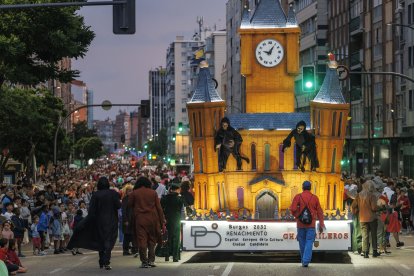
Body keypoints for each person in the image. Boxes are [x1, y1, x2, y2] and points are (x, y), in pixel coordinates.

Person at [67, 177, 121, 270]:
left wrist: (88, 221)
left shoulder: (96, 195)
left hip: (99, 221)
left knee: (100, 240)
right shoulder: (113, 193)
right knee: (109, 240)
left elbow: (91, 210)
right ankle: (106, 261)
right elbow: (118, 205)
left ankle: (101, 261)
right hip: (111, 221)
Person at [128, 176, 165, 268]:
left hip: (140, 219)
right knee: (152, 240)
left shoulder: (134, 193)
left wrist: (130, 219)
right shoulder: (153, 193)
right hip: (153, 219)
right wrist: (162, 220)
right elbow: (159, 208)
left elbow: (129, 206)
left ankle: (144, 261)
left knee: (142, 240)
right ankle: (151, 260)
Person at [289, 181, 325, 267]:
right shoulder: (315, 198)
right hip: (311, 225)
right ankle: (305, 261)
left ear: (302, 187)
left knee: (302, 242)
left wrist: (297, 215)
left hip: (300, 224)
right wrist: (321, 224)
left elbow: (293, 209)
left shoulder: (298, 196)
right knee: (309, 242)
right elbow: (320, 212)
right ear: (310, 188)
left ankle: (303, 261)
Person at [351, 180, 380, 258]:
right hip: (372, 218)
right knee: (373, 235)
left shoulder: (358, 195)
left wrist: (356, 212)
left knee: (365, 235)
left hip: (362, 218)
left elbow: (353, 206)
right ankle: (374, 251)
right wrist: (379, 207)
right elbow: (374, 208)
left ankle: (365, 252)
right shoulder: (372, 195)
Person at [161, 182, 185, 262]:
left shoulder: (164, 198)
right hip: (176, 219)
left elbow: (162, 208)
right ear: (177, 190)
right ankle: (175, 256)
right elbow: (181, 209)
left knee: (168, 237)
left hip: (167, 220)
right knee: (176, 238)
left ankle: (167, 255)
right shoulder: (179, 199)